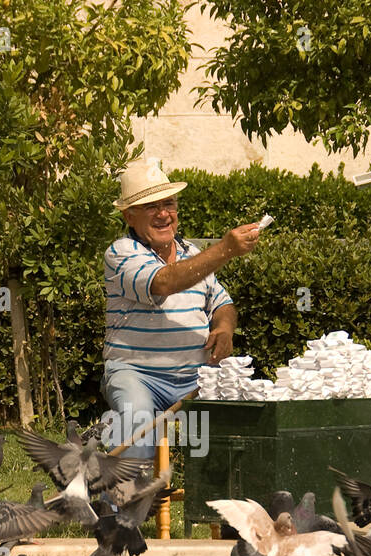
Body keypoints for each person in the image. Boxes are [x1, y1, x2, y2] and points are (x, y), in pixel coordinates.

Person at [102, 158, 261, 461]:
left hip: (196, 378)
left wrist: (225, 328)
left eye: (169, 204)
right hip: (137, 374)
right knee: (137, 422)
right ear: (128, 216)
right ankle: (118, 505)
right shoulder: (121, 253)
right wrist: (225, 248)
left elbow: (222, 303)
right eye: (151, 206)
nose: (163, 214)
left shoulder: (193, 254)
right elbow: (164, 282)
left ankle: (216, 504)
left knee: (241, 428)